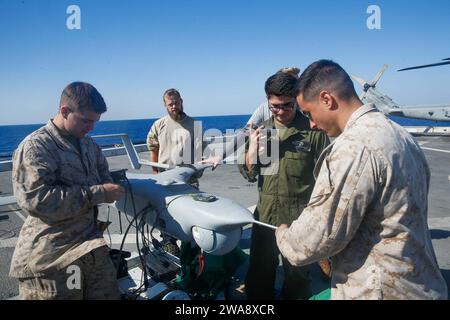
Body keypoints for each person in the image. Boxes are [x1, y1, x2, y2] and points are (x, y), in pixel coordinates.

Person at [276, 59, 448, 300]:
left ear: (327, 99)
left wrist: (284, 235)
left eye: (309, 113)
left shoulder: (354, 147)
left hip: (379, 290)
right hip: (421, 285)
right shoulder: (400, 135)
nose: (312, 123)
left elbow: (314, 240)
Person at [10, 82, 125, 300]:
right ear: (65, 111)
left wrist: (111, 187)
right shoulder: (36, 147)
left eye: (95, 121)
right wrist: (99, 193)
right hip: (52, 256)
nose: (91, 127)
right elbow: (37, 201)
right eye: (86, 120)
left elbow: (104, 175)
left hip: (90, 246)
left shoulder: (89, 145)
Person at [239, 72, 330, 299]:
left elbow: (326, 179)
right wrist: (251, 154)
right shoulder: (262, 132)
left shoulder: (313, 132)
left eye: (286, 106)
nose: (279, 111)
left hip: (298, 219)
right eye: (273, 106)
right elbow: (249, 174)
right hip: (265, 216)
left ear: (297, 100)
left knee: (297, 274)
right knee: (260, 270)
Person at [146, 88, 203, 255]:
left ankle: (192, 247)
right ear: (165, 105)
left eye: (176, 102)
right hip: (164, 180)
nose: (174, 106)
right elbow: (153, 148)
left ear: (182, 101)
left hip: (188, 180)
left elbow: (199, 154)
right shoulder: (159, 125)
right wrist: (155, 173)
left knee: (192, 214)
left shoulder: (195, 125)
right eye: (170, 104)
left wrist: (195, 173)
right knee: (165, 214)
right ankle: (169, 245)